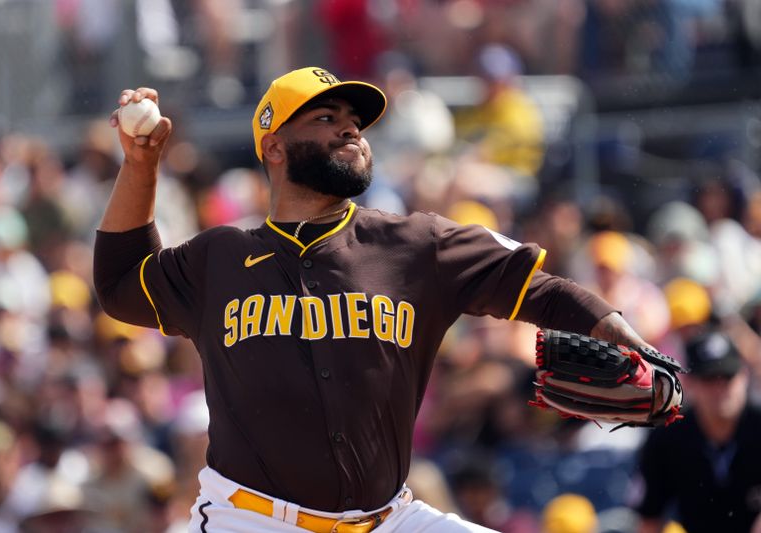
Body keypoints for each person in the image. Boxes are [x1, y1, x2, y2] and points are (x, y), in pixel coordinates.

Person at [93, 66, 655, 532]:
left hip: (389, 519)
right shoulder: (219, 258)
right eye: (325, 118)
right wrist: (141, 165)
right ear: (275, 148)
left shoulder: (416, 244)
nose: (350, 131)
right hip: (252, 520)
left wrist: (622, 334)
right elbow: (120, 286)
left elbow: (540, 289)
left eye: (354, 122)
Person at [634, 329, 761, 533]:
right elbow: (649, 518)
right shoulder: (667, 437)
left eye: (728, 377)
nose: (720, 389)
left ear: (744, 377)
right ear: (689, 384)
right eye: (709, 379)